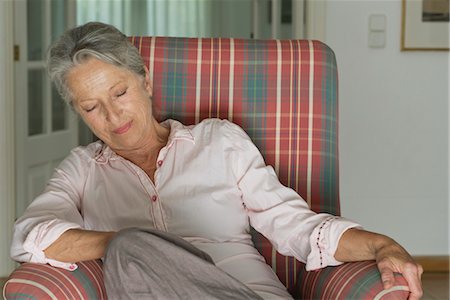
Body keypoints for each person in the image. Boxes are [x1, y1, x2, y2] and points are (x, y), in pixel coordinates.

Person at [11, 22, 423, 299]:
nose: (114, 116)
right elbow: (30, 235)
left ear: (146, 82)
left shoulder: (219, 140)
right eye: (91, 106)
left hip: (246, 290)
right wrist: (126, 246)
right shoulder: (82, 168)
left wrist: (382, 244)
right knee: (130, 246)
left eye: (119, 93)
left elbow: (297, 226)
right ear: (79, 112)